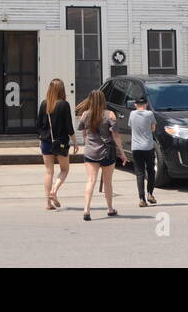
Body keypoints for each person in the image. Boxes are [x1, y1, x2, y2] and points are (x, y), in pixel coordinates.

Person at [76, 89, 128, 221]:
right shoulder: (110, 114)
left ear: (90, 100)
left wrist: (88, 143)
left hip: (90, 152)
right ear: (103, 100)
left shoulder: (85, 115)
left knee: (90, 180)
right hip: (107, 151)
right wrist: (122, 152)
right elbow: (115, 135)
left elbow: (84, 133)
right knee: (108, 182)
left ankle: (86, 210)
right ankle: (110, 209)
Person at [36, 78, 77, 210]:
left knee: (49, 172)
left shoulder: (44, 104)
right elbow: (69, 126)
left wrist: (41, 139)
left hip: (46, 142)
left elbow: (39, 125)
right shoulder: (64, 104)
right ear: (62, 89)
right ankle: (54, 190)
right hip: (61, 143)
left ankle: (48, 203)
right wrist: (75, 142)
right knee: (65, 169)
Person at [129, 93, 159, 208]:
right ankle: (150, 193)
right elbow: (153, 128)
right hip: (148, 146)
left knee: (139, 173)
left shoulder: (132, 114)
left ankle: (141, 199)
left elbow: (131, 127)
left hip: (136, 147)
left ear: (136, 104)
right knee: (151, 170)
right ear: (146, 104)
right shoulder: (150, 114)